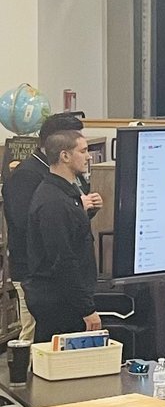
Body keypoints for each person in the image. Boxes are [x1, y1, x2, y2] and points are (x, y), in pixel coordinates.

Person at [1, 113, 99, 343]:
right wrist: (85, 305)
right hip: (40, 279)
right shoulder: (32, 181)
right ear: (61, 150)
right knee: (35, 341)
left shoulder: (67, 181)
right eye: (81, 149)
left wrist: (86, 208)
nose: (87, 157)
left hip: (67, 288)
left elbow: (71, 227)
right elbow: (45, 238)